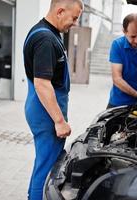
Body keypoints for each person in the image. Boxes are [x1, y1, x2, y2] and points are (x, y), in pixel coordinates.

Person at [23, 0, 83, 199]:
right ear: (59, 11)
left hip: (41, 107)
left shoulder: (44, 31)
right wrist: (59, 121)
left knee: (44, 162)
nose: (74, 23)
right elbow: (42, 83)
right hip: (46, 112)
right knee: (47, 169)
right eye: (73, 18)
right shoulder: (45, 39)